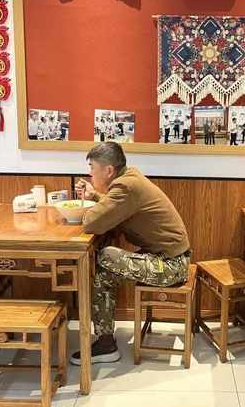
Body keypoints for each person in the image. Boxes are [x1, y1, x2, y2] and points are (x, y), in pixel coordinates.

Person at [71, 143, 191, 365]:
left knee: (106, 256)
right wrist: (95, 195)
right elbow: (116, 207)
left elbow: (90, 222)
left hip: (171, 266)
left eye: (92, 167)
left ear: (108, 170)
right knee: (104, 275)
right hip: (168, 258)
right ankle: (106, 343)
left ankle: (105, 342)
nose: (90, 173)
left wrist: (91, 203)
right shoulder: (129, 179)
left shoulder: (126, 186)